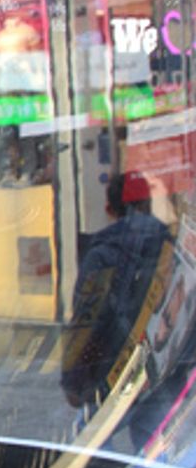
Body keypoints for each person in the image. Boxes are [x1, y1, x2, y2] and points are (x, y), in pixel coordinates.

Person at [61, 172, 172, 420]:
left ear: (109, 209)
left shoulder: (101, 255)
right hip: (160, 364)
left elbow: (86, 320)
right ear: (148, 203)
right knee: (151, 435)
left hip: (111, 366)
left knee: (96, 436)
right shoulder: (167, 244)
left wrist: (72, 380)